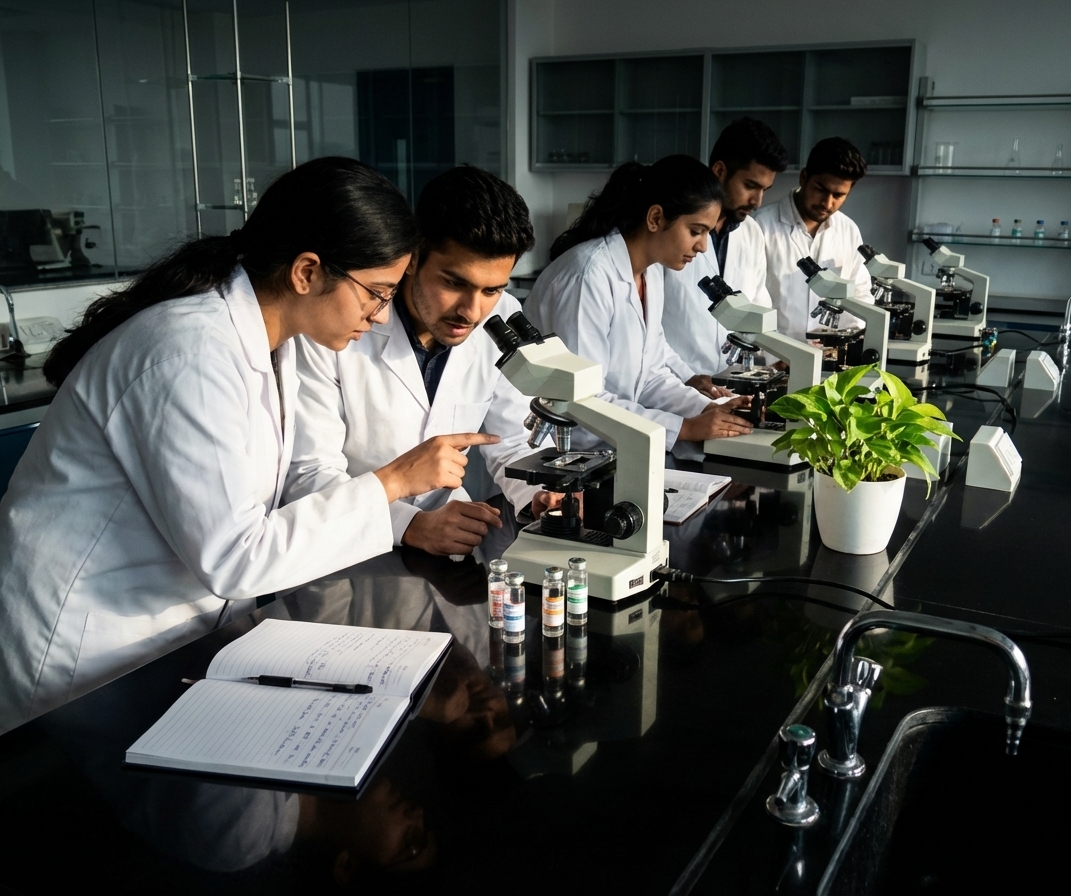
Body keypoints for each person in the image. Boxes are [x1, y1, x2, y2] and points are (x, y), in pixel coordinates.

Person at [0, 157, 495, 734]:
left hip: (170, 637)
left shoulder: (270, 346)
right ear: (306, 272)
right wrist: (392, 481)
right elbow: (235, 556)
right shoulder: (189, 352)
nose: (381, 316)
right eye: (376, 293)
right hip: (84, 652)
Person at [285, 165, 544, 556]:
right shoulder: (334, 323)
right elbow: (308, 474)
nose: (472, 311)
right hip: (346, 547)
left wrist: (539, 493)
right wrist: (408, 525)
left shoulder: (501, 316)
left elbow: (511, 440)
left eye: (491, 290)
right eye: (454, 283)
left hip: (450, 539)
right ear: (413, 257)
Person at [523, 154, 753, 451]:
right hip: (561, 449)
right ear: (655, 218)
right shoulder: (587, 277)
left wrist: (706, 408)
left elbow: (651, 376)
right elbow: (582, 399)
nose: (703, 246)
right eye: (696, 231)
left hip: (613, 445)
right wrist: (684, 428)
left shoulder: (650, 273)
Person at [661, 118, 788, 384]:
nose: (757, 201)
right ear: (719, 170)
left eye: (764, 190)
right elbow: (646, 324)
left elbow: (756, 306)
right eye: (750, 186)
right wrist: (684, 378)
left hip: (726, 382)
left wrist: (774, 356)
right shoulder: (671, 230)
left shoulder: (751, 232)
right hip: (670, 382)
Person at [757, 136, 873, 340]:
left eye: (838, 195)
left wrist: (848, 343)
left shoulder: (848, 230)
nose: (827, 203)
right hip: (772, 354)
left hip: (830, 353)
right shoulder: (760, 226)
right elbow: (750, 300)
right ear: (803, 177)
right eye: (821, 189)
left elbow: (860, 294)